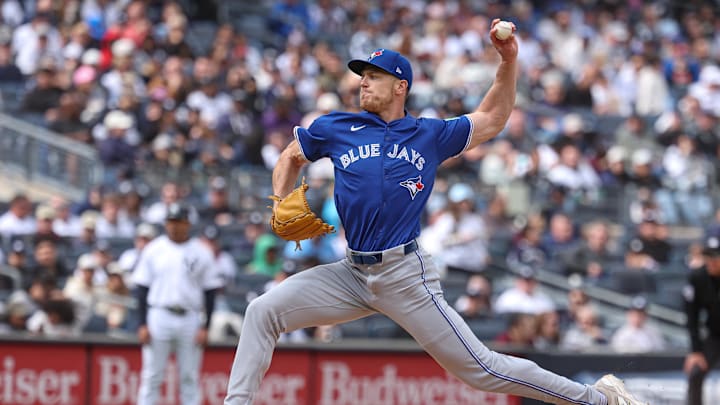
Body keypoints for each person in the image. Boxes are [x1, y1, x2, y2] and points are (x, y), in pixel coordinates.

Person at [224, 21, 644, 405]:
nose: (362, 84)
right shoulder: (338, 127)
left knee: (481, 370)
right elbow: (291, 156)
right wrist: (280, 200)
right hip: (350, 273)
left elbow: (494, 117)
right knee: (262, 311)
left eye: (373, 77)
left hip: (404, 275)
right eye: (361, 77)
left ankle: (599, 399)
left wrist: (509, 61)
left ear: (400, 86)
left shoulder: (429, 134)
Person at [132, 203, 224, 405]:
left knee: (189, 377)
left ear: (188, 224)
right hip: (159, 315)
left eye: (179, 221)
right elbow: (141, 288)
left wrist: (205, 326)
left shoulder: (201, 252)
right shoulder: (154, 249)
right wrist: (142, 323)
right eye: (171, 221)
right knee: (152, 376)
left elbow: (210, 292)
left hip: (190, 317)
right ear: (166, 224)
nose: (174, 226)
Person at [684, 236, 720, 405]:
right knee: (696, 372)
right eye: (709, 256)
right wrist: (695, 350)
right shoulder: (698, 278)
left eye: (716, 257)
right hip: (714, 335)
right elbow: (692, 316)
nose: (711, 261)